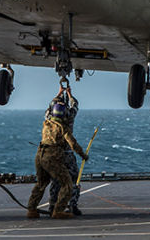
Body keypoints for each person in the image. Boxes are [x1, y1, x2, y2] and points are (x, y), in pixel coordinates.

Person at [26, 97, 88, 219]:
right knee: (67, 184)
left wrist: (58, 95)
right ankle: (58, 210)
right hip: (52, 157)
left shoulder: (47, 123)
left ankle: (31, 209)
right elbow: (73, 144)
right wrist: (83, 155)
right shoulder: (63, 127)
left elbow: (49, 109)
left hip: (40, 155)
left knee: (41, 183)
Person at [46, 85, 83, 216]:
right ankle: (72, 206)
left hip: (54, 156)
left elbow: (51, 106)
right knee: (73, 180)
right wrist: (69, 94)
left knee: (56, 181)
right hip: (67, 155)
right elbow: (75, 104)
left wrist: (59, 93)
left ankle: (52, 206)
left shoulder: (49, 121)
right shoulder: (69, 119)